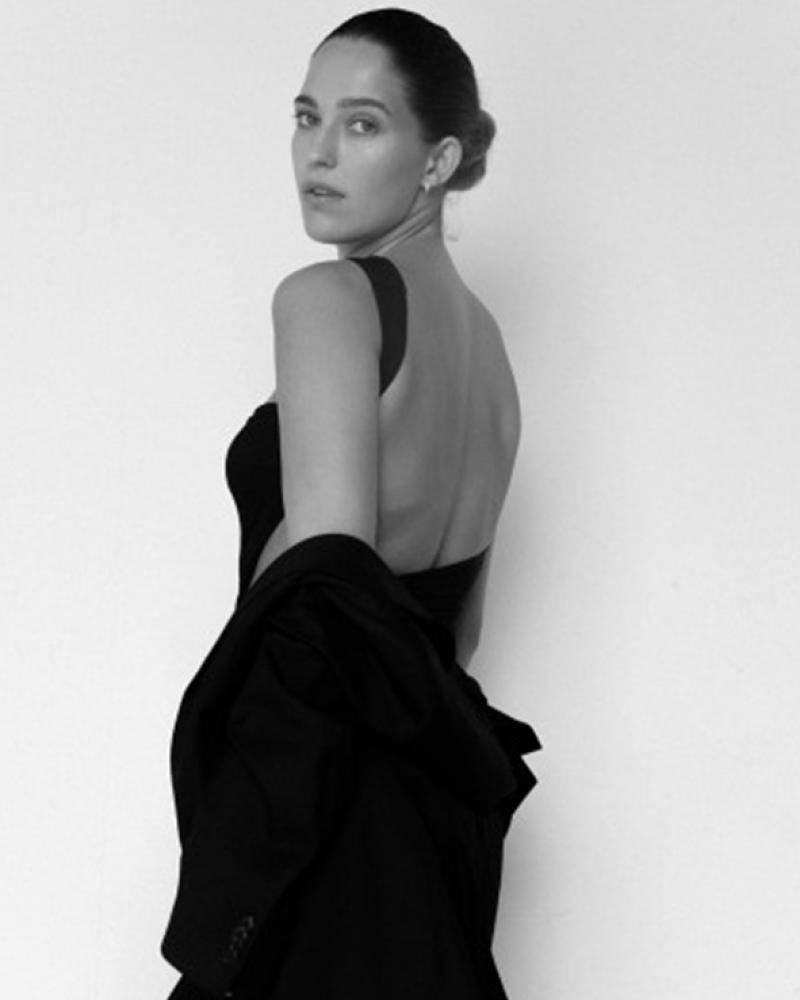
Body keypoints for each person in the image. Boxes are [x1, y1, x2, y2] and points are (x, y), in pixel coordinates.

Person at [161, 9, 540, 999]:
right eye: (306, 116)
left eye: (363, 124)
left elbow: (319, 593)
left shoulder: (328, 300)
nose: (318, 153)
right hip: (428, 826)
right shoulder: (492, 356)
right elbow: (456, 634)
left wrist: (238, 862)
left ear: (437, 160)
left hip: (319, 815)